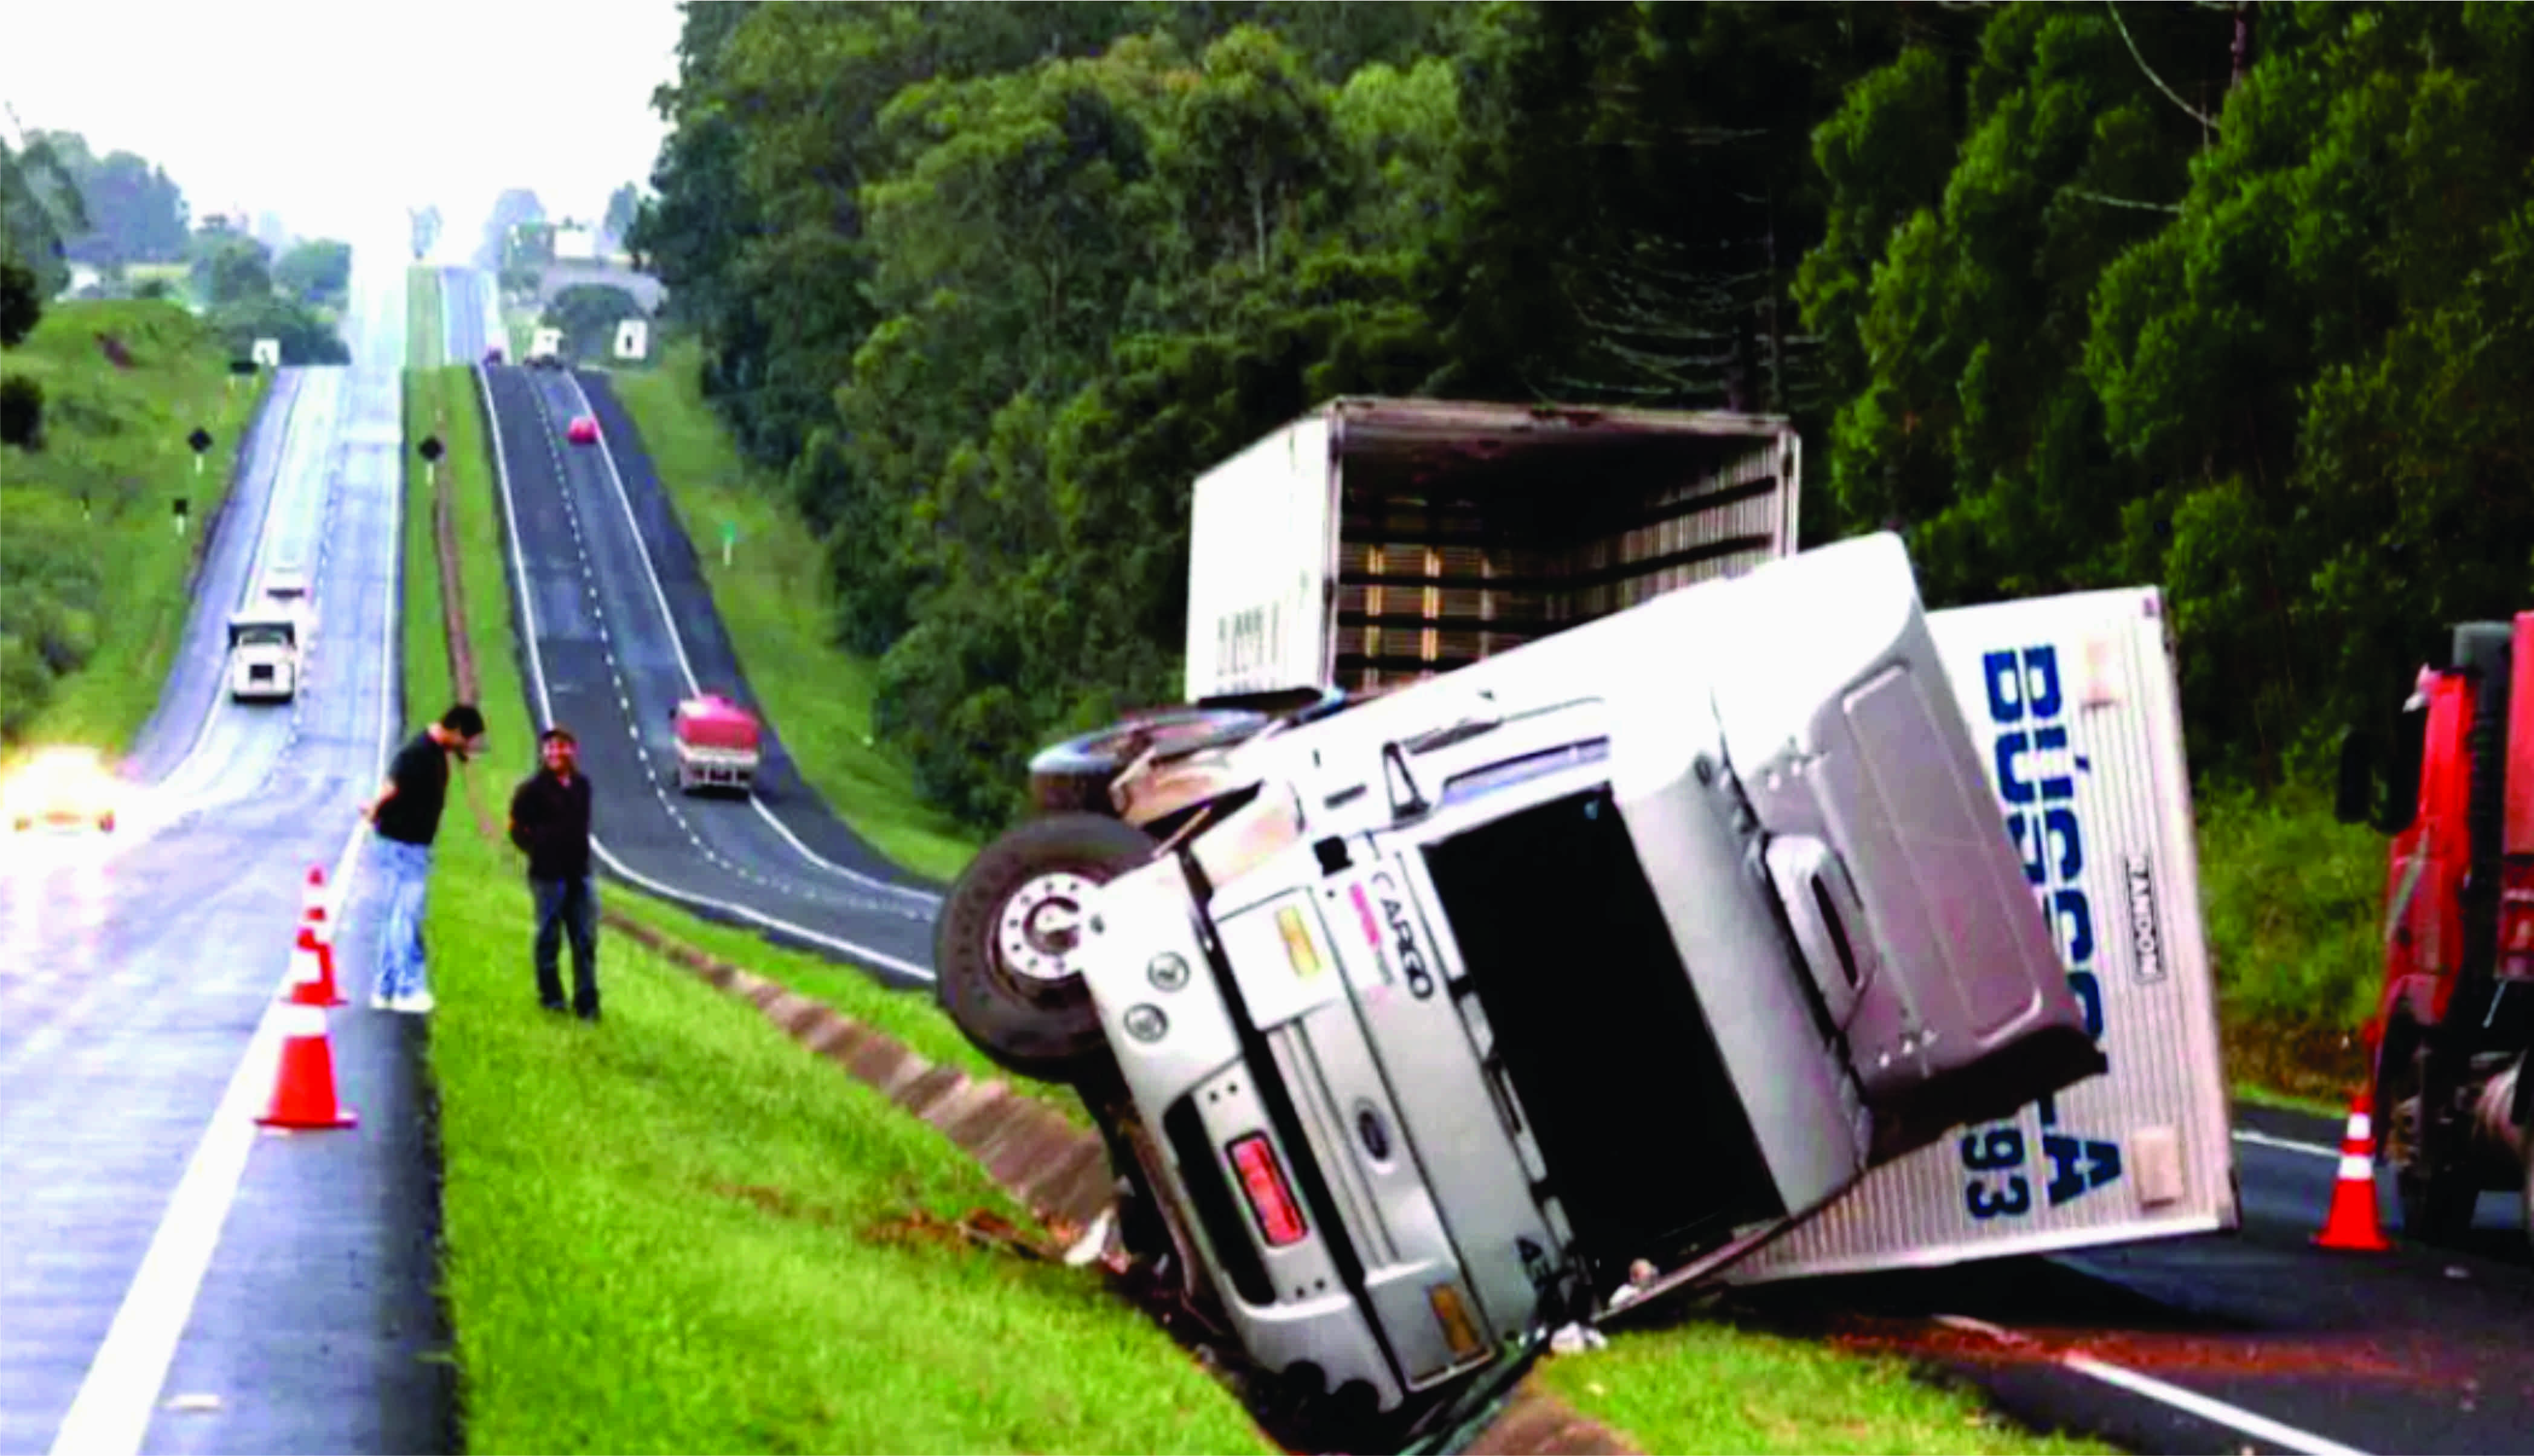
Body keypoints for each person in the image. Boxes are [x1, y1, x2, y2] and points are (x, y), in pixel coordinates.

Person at [363, 703, 485, 1014]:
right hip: (405, 845)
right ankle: (408, 988)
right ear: (456, 730)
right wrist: (374, 805)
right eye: (467, 741)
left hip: (402, 842)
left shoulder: (432, 752)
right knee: (408, 917)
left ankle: (385, 988)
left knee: (396, 917)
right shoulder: (419, 752)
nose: (467, 749)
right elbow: (393, 784)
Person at [508, 725, 600, 1022]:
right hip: (548, 876)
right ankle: (552, 998)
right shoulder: (532, 789)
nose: (555, 753)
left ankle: (587, 1003)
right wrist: (536, 850)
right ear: (543, 753)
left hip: (580, 874)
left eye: (561, 747)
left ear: (572, 750)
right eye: (549, 748)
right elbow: (515, 827)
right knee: (549, 936)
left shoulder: (583, 786)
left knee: (584, 939)